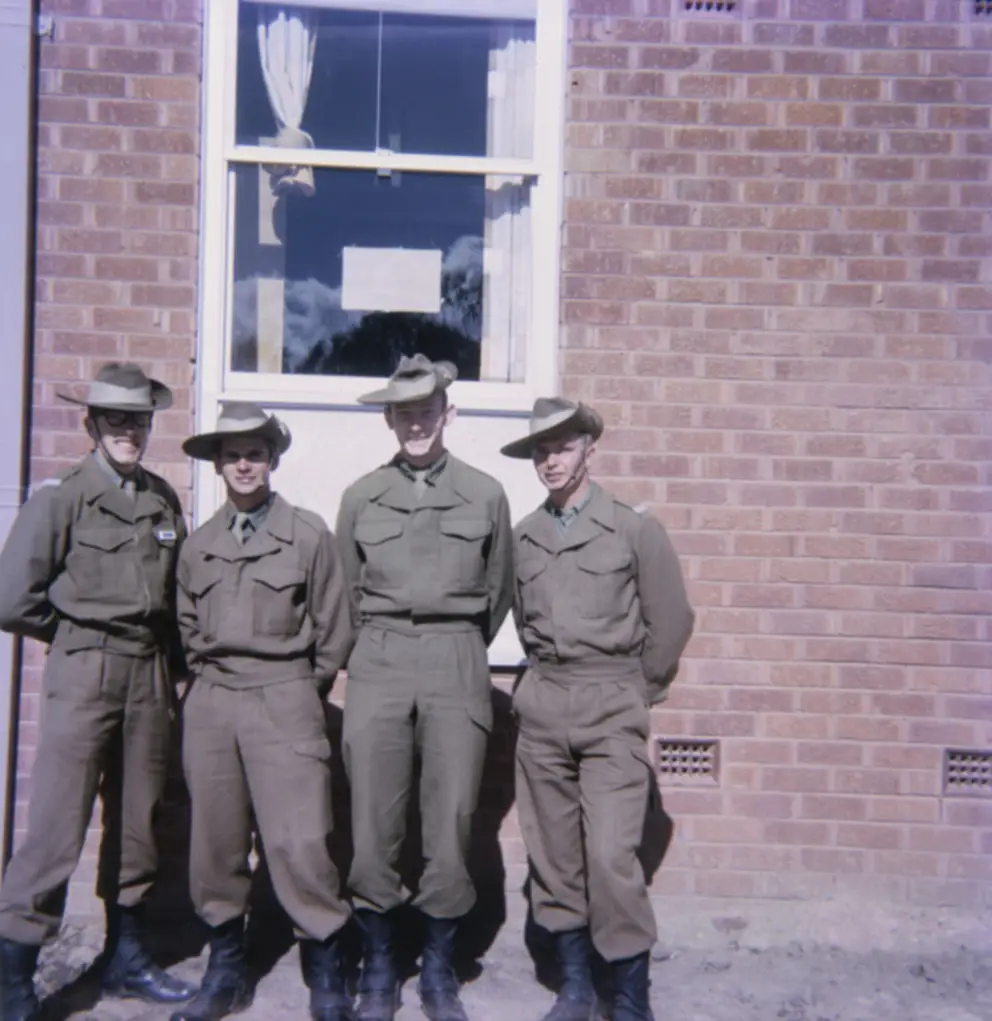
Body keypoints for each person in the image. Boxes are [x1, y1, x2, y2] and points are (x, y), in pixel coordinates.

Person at [0, 362, 195, 1021]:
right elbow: (11, 597)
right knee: (56, 825)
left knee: (138, 822)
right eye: (116, 418)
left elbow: (174, 597)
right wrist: (77, 631)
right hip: (84, 668)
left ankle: (127, 958)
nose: (129, 431)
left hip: (148, 671)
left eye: (139, 418)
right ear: (92, 424)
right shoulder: (63, 495)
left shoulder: (163, 499)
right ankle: (14, 976)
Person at [501, 398, 695, 1021]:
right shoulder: (524, 536)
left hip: (611, 701)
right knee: (554, 855)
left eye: (562, 446)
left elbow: (672, 619)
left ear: (590, 448)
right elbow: (520, 621)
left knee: (611, 855)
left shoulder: (633, 527)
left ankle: (629, 996)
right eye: (540, 450)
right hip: (545, 705)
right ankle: (576, 986)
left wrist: (639, 689)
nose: (550, 460)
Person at [335, 354, 515, 1021]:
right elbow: (344, 589)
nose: (416, 422)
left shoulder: (485, 493)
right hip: (379, 656)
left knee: (453, 816)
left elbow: (498, 591)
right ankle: (380, 963)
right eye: (404, 411)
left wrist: (458, 640)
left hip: (455, 656)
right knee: (373, 817)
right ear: (388, 417)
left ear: (449, 412)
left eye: (427, 409)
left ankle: (439, 965)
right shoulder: (360, 496)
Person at [173, 402, 354, 1021]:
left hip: (285, 695)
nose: (243, 465)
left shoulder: (307, 534)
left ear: (272, 460)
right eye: (232, 455)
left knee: (300, 841)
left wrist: (303, 688)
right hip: (215, 701)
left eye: (254, 453)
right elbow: (187, 629)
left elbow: (334, 628)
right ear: (218, 465)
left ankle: (326, 970)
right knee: (215, 843)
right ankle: (225, 969)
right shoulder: (198, 546)